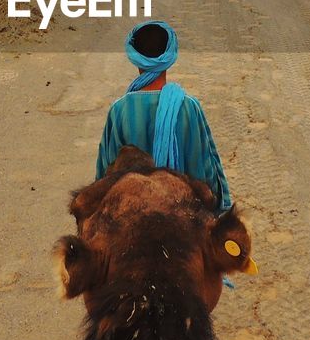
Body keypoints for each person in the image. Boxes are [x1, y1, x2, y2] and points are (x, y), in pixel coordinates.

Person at [97, 20, 232, 211]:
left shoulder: (120, 110)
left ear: (135, 57)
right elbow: (205, 170)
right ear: (170, 56)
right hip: (185, 220)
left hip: (131, 220)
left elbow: (105, 175)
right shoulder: (188, 106)